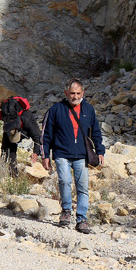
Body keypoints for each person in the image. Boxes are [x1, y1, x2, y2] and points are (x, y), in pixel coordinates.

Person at [41, 78, 105, 234]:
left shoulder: (89, 110)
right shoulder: (56, 109)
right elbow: (46, 134)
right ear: (66, 93)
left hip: (82, 155)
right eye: (72, 93)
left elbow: (96, 132)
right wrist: (45, 155)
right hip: (61, 153)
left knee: (82, 188)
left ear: (83, 93)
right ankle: (66, 211)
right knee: (64, 181)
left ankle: (82, 219)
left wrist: (100, 151)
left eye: (78, 93)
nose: (75, 96)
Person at [0, 96, 41, 175]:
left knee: (38, 138)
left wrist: (36, 152)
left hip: (23, 127)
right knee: (7, 149)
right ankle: (12, 172)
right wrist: (3, 161)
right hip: (11, 128)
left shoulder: (27, 119)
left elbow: (37, 136)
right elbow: (5, 148)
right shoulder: (7, 124)